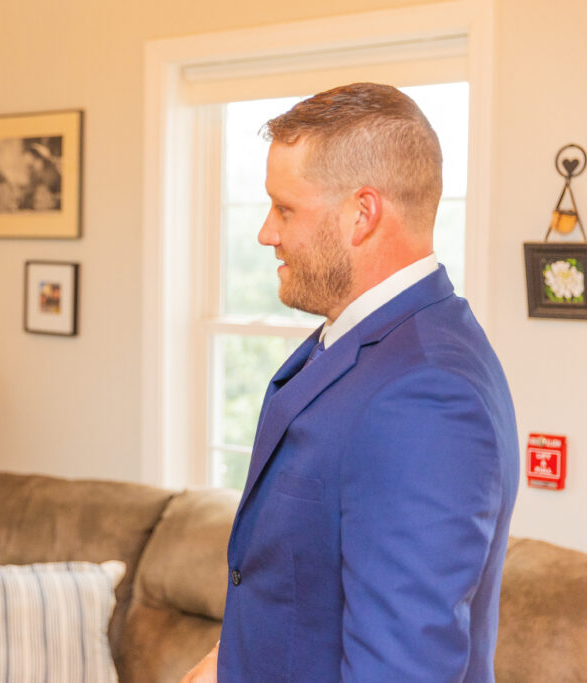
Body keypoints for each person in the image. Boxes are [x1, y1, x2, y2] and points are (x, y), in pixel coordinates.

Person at [182, 83, 518, 682]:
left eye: (285, 209)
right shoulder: (360, 339)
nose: (265, 232)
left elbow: (400, 669)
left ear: (362, 214)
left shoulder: (428, 393)